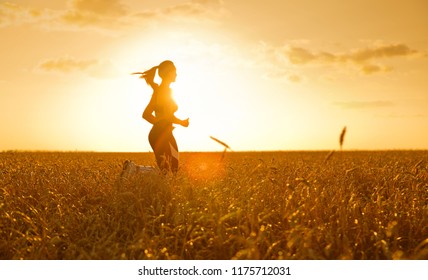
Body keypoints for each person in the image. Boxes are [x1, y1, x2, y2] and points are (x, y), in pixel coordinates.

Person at [139, 60, 189, 173]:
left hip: (160, 133)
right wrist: (181, 122)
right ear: (168, 73)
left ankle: (135, 169)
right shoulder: (164, 91)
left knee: (168, 170)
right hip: (161, 134)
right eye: (174, 71)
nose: (176, 74)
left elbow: (147, 114)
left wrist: (160, 123)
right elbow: (166, 116)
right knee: (171, 170)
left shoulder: (159, 90)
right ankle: (134, 169)